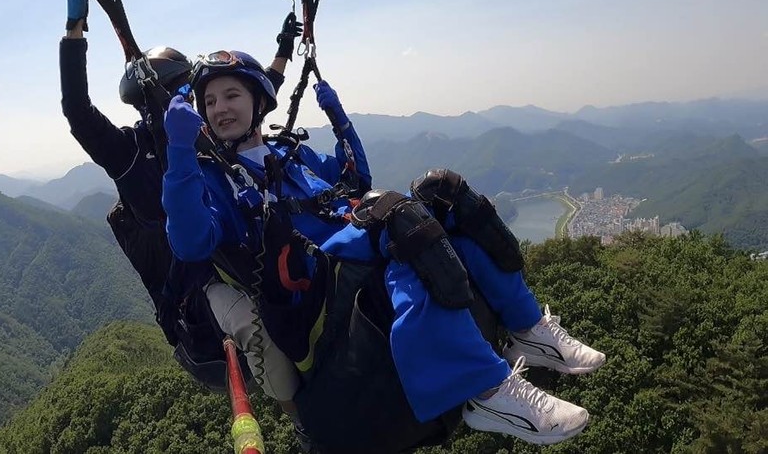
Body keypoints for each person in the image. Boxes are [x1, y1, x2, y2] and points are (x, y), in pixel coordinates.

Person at [160, 50, 606, 446]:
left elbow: (357, 180)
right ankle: (487, 390)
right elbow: (190, 242)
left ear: (258, 101)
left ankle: (530, 328)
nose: (220, 109)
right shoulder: (211, 180)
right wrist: (180, 152)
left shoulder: (289, 155)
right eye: (210, 102)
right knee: (396, 219)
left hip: (354, 248)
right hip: (311, 294)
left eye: (231, 95)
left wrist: (340, 120)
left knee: (444, 193)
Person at [57, 0, 302, 384]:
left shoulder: (200, 134)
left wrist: (283, 51)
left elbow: (257, 96)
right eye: (185, 90)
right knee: (262, 332)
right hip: (199, 297)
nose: (196, 100)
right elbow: (78, 112)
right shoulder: (131, 153)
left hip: (233, 261)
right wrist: (74, 29)